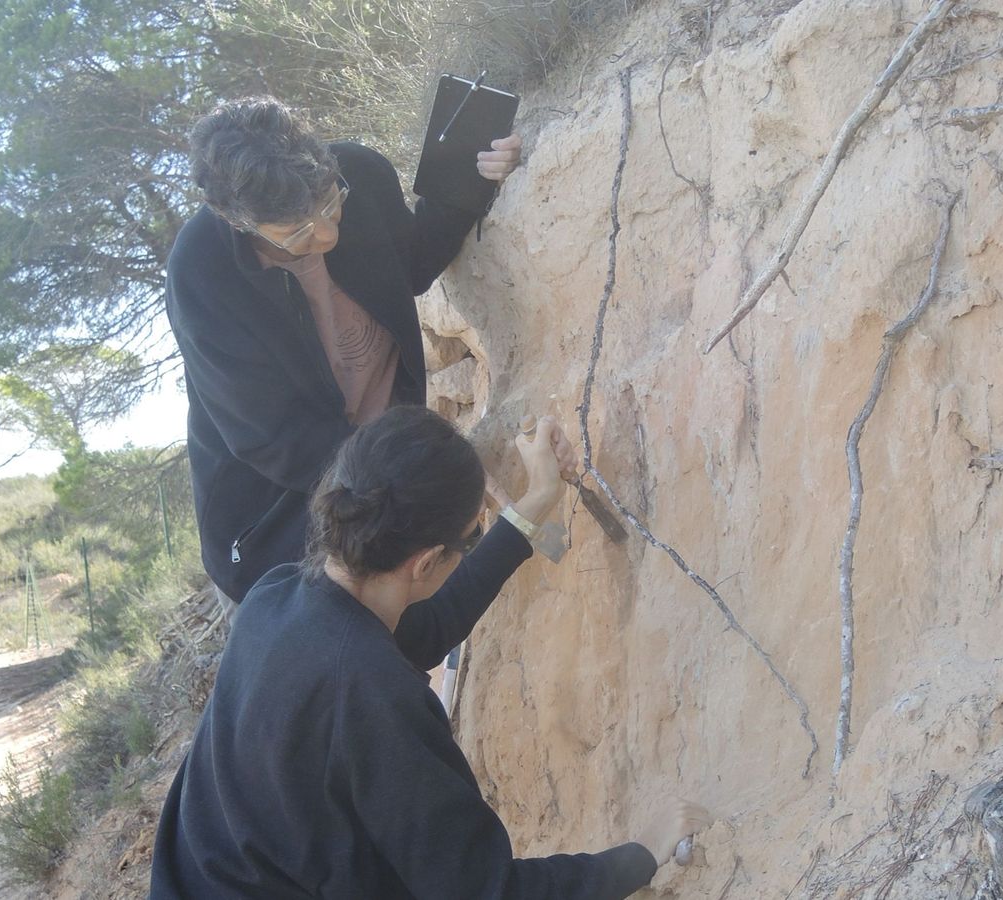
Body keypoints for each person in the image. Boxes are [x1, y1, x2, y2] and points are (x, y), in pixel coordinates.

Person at [150, 407, 712, 898]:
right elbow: (486, 892)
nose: (469, 551)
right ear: (425, 563)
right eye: (469, 539)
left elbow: (428, 624)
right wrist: (641, 852)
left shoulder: (275, 599)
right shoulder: (378, 701)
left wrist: (538, 501)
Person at [165, 96, 524, 612]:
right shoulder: (201, 270)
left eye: (331, 205)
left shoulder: (359, 171)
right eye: (297, 233)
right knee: (334, 682)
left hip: (388, 493)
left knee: (416, 647)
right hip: (277, 533)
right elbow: (273, 440)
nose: (328, 234)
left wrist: (473, 177)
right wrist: (407, 482)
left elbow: (413, 262)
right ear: (238, 221)